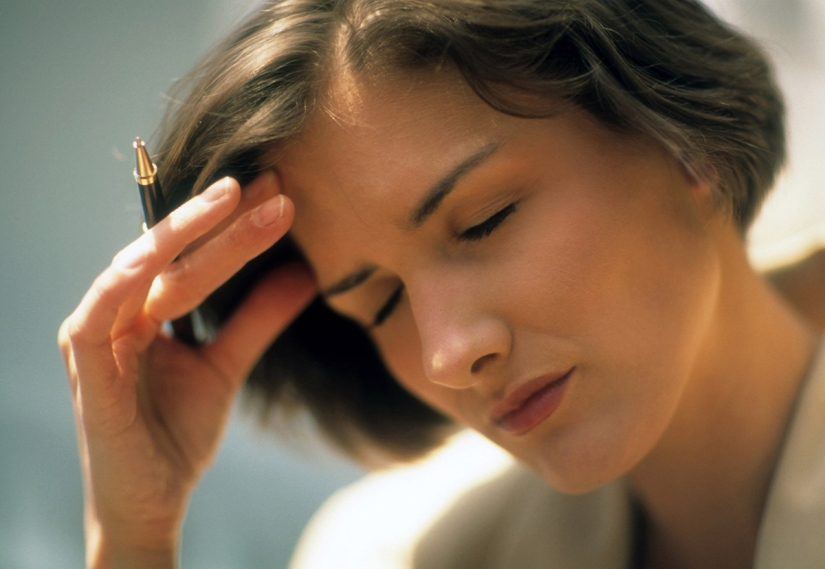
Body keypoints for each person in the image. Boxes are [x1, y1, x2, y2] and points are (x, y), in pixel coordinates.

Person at [58, 0, 825, 567]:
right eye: (381, 301)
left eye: (484, 221)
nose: (447, 353)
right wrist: (134, 538)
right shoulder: (405, 549)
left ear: (682, 138)